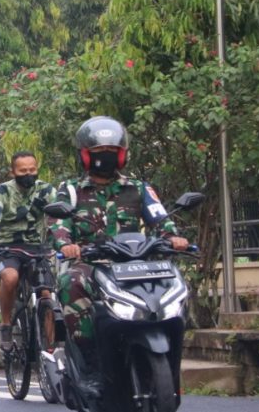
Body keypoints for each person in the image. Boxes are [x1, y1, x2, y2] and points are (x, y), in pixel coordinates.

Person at [51, 117, 189, 395]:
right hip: (90, 264)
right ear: (86, 155)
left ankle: (170, 355)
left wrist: (174, 238)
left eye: (112, 152)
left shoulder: (139, 188)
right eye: (100, 152)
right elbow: (59, 225)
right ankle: (89, 366)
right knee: (71, 284)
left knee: (177, 286)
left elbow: (161, 220)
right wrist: (67, 244)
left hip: (135, 264)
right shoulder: (70, 189)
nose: (106, 158)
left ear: (122, 155)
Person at [0, 151, 56, 352]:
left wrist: (62, 241)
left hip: (36, 248)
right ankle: (5, 325)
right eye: (23, 171)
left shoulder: (46, 190)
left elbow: (57, 216)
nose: (29, 174)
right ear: (13, 172)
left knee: (46, 293)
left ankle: (51, 351)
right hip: (6, 248)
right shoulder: (1, 191)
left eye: (32, 170)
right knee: (10, 278)